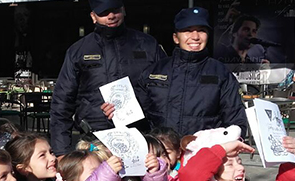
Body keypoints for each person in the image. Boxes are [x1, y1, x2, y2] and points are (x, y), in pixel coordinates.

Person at [51, 0, 167, 156]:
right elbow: (62, 103)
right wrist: (62, 152)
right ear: (93, 16)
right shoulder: (78, 51)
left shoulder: (148, 45)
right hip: (94, 142)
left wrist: (136, 106)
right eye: (104, 12)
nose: (111, 16)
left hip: (141, 136)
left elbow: (164, 92)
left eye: (115, 10)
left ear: (124, 9)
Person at [105, 7, 248, 138]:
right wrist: (116, 111)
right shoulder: (154, 71)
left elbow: (235, 122)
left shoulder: (221, 73)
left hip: (203, 157)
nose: (195, 36)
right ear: (175, 38)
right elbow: (136, 121)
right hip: (160, 158)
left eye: (201, 30)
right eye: (187, 31)